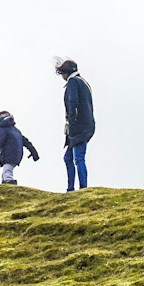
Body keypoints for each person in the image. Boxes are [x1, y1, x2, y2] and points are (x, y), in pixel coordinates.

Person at [57, 59, 95, 191]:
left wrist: (70, 123)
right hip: (86, 125)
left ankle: (79, 188)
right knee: (70, 157)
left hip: (78, 127)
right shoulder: (83, 82)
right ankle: (73, 188)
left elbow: (73, 103)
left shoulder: (73, 82)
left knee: (78, 158)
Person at [0, 110, 39, 185]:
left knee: (7, 171)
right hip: (17, 154)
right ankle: (5, 185)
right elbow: (26, 142)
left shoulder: (3, 129)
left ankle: (10, 183)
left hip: (8, 154)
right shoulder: (16, 130)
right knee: (6, 172)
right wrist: (34, 153)